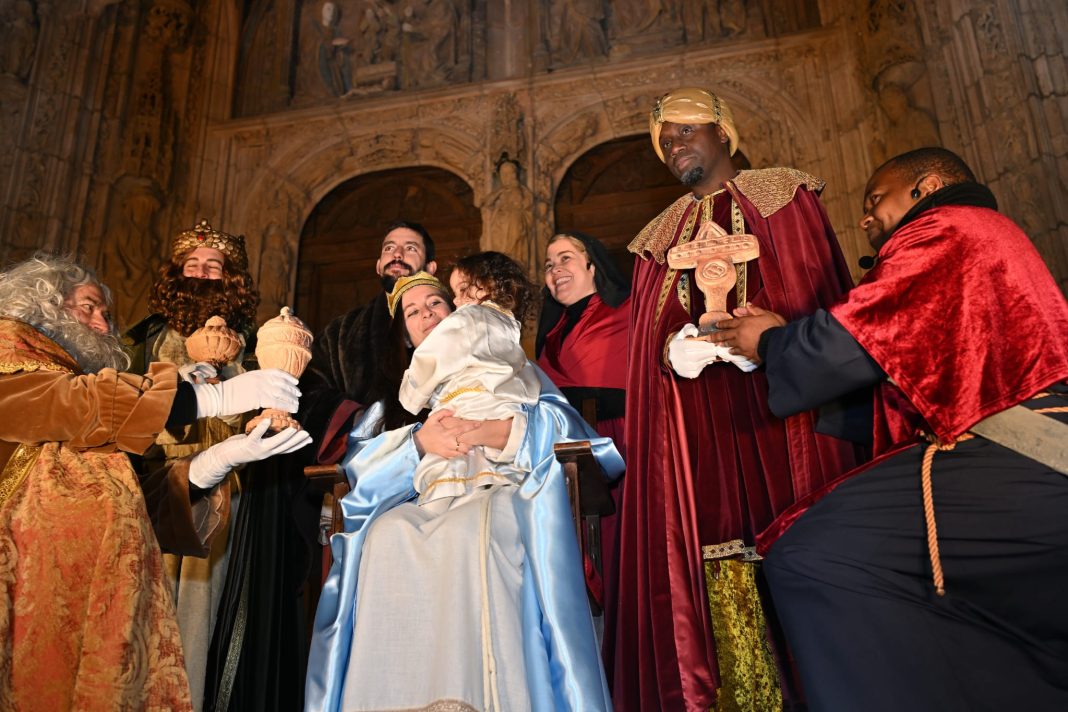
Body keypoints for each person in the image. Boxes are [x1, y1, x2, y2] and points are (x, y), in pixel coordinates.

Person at [708, 147, 1068, 710]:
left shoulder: (946, 227)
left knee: (810, 556)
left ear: (924, 189)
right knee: (996, 630)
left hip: (1007, 454)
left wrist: (772, 342)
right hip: (1031, 457)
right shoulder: (985, 233)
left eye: (876, 199)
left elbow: (858, 339)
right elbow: (909, 374)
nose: (865, 217)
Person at [613, 87, 865, 710]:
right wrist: (672, 352)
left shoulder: (785, 195)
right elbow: (650, 336)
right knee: (721, 554)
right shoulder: (657, 238)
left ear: (724, 132)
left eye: (687, 131)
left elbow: (818, 292)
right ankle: (750, 698)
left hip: (784, 413)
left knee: (800, 537)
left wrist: (775, 337)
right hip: (702, 428)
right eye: (665, 139)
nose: (674, 146)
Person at [0, 254, 309, 711]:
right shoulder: (11, 346)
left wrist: (216, 462)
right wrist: (205, 398)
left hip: (93, 606)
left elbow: (134, 505)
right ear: (40, 301)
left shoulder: (92, 412)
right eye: (89, 306)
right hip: (26, 592)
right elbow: (62, 403)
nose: (104, 324)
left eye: (107, 312)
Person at [306, 271, 621, 712]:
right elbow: (356, 472)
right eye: (413, 312)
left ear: (458, 312)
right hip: (425, 502)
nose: (426, 314)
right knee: (387, 536)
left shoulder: (510, 367)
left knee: (477, 528)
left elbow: (579, 438)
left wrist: (500, 431)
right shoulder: (396, 402)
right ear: (407, 336)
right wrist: (416, 444)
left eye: (435, 303)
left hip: (501, 490)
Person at [203, 220, 439, 712]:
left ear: (430, 266)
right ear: (378, 264)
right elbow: (312, 394)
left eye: (410, 248)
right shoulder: (343, 330)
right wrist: (362, 425)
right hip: (358, 481)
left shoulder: (445, 321)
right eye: (389, 247)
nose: (397, 255)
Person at [125, 218, 260, 711]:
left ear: (230, 279)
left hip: (226, 479)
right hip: (158, 473)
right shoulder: (144, 338)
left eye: (213, 267)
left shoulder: (252, 340)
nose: (201, 275)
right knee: (146, 590)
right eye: (192, 265)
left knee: (202, 602)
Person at [535, 231, 630, 634]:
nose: (556, 270)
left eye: (566, 259)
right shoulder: (550, 333)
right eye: (549, 264)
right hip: (565, 460)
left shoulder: (627, 312)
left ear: (592, 265)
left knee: (622, 560)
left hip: (622, 449)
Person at [399, 253, 541, 500]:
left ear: (489, 286)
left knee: (449, 486)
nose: (457, 300)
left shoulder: (468, 317)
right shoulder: (509, 325)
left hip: (470, 411)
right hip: (506, 410)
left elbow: (432, 357)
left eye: (463, 289)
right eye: (412, 312)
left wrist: (411, 393)